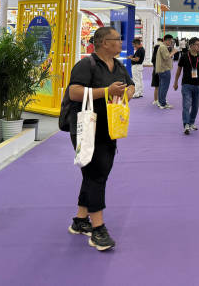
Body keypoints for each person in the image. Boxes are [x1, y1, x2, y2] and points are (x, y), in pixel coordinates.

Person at [65, 26, 135, 251]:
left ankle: (80, 220)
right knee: (96, 175)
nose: (121, 42)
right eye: (117, 39)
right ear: (104, 43)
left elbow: (130, 86)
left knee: (96, 174)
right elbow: (74, 92)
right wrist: (107, 91)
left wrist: (127, 93)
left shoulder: (119, 65)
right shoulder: (87, 65)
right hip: (87, 129)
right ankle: (98, 229)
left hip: (110, 129)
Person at [173, 37, 199, 135]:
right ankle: (186, 124)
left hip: (198, 85)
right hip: (186, 85)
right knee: (186, 105)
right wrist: (175, 82)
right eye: (197, 44)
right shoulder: (184, 56)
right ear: (191, 45)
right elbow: (179, 70)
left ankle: (192, 122)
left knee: (195, 106)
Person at [155, 34, 177, 109]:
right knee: (164, 87)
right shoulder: (163, 47)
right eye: (171, 41)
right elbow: (166, 57)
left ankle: (161, 101)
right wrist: (173, 52)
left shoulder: (162, 46)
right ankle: (163, 103)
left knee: (162, 86)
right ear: (167, 40)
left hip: (162, 69)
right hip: (164, 69)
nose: (171, 43)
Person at [150, 37, 162, 106]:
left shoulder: (154, 56)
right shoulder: (159, 47)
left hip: (157, 71)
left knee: (158, 87)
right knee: (158, 86)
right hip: (158, 71)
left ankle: (157, 100)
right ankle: (156, 100)